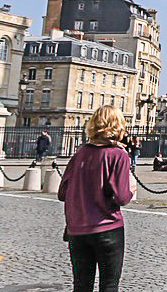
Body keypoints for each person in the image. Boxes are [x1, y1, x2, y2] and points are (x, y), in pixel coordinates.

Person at [59, 106, 134, 292]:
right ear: (118, 126)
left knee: (81, 286)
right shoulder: (118, 156)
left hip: (77, 230)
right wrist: (131, 189)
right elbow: (122, 197)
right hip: (107, 228)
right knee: (109, 286)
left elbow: (62, 193)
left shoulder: (79, 154)